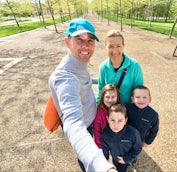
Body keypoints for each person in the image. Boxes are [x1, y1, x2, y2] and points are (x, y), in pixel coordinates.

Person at [48, 18, 117, 172]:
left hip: (91, 117)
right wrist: (104, 168)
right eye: (79, 39)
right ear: (67, 42)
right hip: (85, 126)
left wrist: (101, 81)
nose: (86, 46)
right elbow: (73, 124)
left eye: (90, 40)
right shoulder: (66, 78)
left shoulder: (77, 63)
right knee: (87, 162)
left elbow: (84, 78)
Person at [96, 30, 144, 104]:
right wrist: (98, 108)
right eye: (110, 46)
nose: (114, 51)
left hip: (129, 110)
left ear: (123, 46)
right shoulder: (103, 67)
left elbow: (139, 92)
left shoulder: (134, 65)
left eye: (118, 46)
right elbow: (100, 90)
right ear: (106, 47)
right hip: (110, 110)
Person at [102, 103, 142, 172]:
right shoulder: (105, 133)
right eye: (112, 120)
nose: (116, 125)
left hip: (128, 156)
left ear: (125, 121)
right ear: (107, 119)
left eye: (120, 120)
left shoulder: (133, 133)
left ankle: (132, 161)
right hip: (116, 158)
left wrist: (127, 158)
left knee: (128, 163)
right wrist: (105, 163)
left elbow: (138, 148)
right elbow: (105, 150)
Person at [93, 84, 121, 148]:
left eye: (113, 97)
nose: (110, 100)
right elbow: (97, 130)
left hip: (118, 142)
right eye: (107, 97)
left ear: (117, 97)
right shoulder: (99, 112)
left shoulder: (122, 109)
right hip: (104, 141)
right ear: (102, 97)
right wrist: (99, 146)